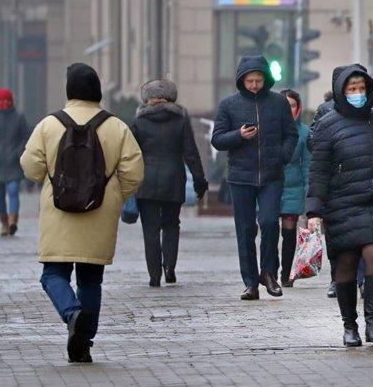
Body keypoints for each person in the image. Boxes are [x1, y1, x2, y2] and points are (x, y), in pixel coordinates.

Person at [20, 63, 143, 363]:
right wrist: (114, 195)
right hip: (99, 213)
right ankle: (84, 342)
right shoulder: (116, 126)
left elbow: (32, 168)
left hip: (58, 213)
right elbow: (134, 173)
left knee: (53, 275)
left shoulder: (49, 124)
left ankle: (73, 313)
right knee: (90, 280)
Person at [306, 64, 373, 347]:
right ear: (341, 92)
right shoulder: (326, 124)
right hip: (341, 203)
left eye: (361, 88)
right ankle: (350, 326)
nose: (357, 93)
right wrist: (314, 212)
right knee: (345, 263)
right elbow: (318, 171)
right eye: (351, 89)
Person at [211, 55, 298, 300]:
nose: (254, 85)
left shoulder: (279, 103)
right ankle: (250, 281)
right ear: (241, 80)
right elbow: (217, 139)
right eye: (250, 80)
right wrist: (238, 135)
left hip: (272, 174)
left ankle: (269, 272)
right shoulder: (229, 105)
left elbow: (291, 134)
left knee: (270, 222)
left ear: (266, 79)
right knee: (246, 229)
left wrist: (283, 155)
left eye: (259, 80)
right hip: (240, 176)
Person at [130, 79, 208, 287]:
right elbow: (190, 152)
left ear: (146, 98)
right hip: (173, 179)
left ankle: (154, 275)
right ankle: (169, 268)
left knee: (151, 229)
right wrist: (200, 180)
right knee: (172, 224)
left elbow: (130, 154)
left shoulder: (138, 121)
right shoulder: (180, 119)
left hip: (146, 180)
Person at [278, 89, 311, 287]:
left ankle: (286, 273)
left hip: (294, 188)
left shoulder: (305, 133)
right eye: (284, 104)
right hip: (270, 187)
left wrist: (309, 192)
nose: (288, 108)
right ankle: (269, 270)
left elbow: (308, 164)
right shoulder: (268, 128)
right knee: (269, 231)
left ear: (298, 108)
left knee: (289, 234)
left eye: (292, 105)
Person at [0, 88, 29, 236]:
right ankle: (4, 224)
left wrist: (19, 151)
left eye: (7, 100)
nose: (5, 103)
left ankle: (13, 221)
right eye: (2, 100)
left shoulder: (19, 117)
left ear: (12, 101)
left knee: (13, 190)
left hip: (14, 162)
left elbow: (25, 136)